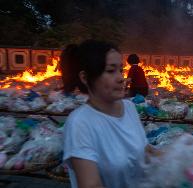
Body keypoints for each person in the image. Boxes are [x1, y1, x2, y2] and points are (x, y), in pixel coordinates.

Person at [61, 40, 156, 188]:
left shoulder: (129, 108)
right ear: (85, 77)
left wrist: (180, 155)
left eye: (121, 70)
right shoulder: (80, 123)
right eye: (111, 71)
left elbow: (144, 150)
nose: (120, 78)